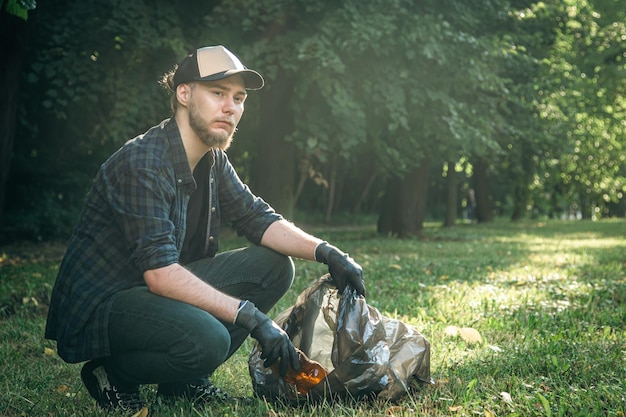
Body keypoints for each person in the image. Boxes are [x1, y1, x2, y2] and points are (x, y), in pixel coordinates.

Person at [45, 45, 366, 413]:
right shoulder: (143, 162)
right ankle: (113, 372)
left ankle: (181, 382)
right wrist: (252, 317)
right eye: (218, 93)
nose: (231, 107)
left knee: (275, 266)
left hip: (151, 291)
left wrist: (328, 253)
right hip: (106, 305)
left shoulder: (213, 159)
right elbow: (161, 275)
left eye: (239, 98)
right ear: (183, 94)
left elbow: (257, 218)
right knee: (208, 341)